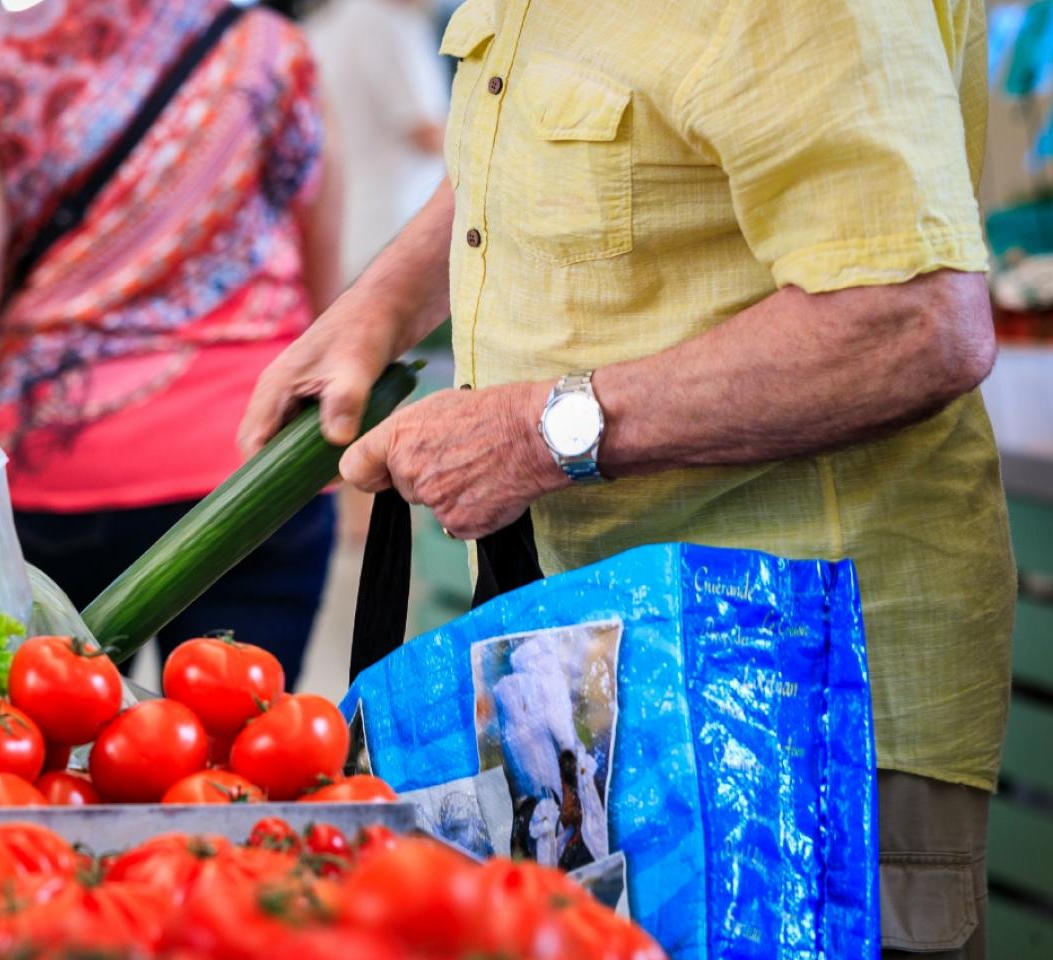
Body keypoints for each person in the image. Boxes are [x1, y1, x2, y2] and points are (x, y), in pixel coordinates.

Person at [240, 1, 1011, 955]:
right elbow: (523, 149)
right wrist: (379, 308)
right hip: (588, 671)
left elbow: (915, 322)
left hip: (795, 703)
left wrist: (538, 434)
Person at [0, 0, 344, 685]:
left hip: (60, 467)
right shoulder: (274, 49)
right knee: (239, 757)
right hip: (256, 463)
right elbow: (324, 281)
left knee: (47, 753)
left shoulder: (5, 51)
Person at [305, 0, 448, 283]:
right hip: (399, 230)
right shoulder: (389, 25)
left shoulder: (322, 25)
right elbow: (427, 134)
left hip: (353, 233)